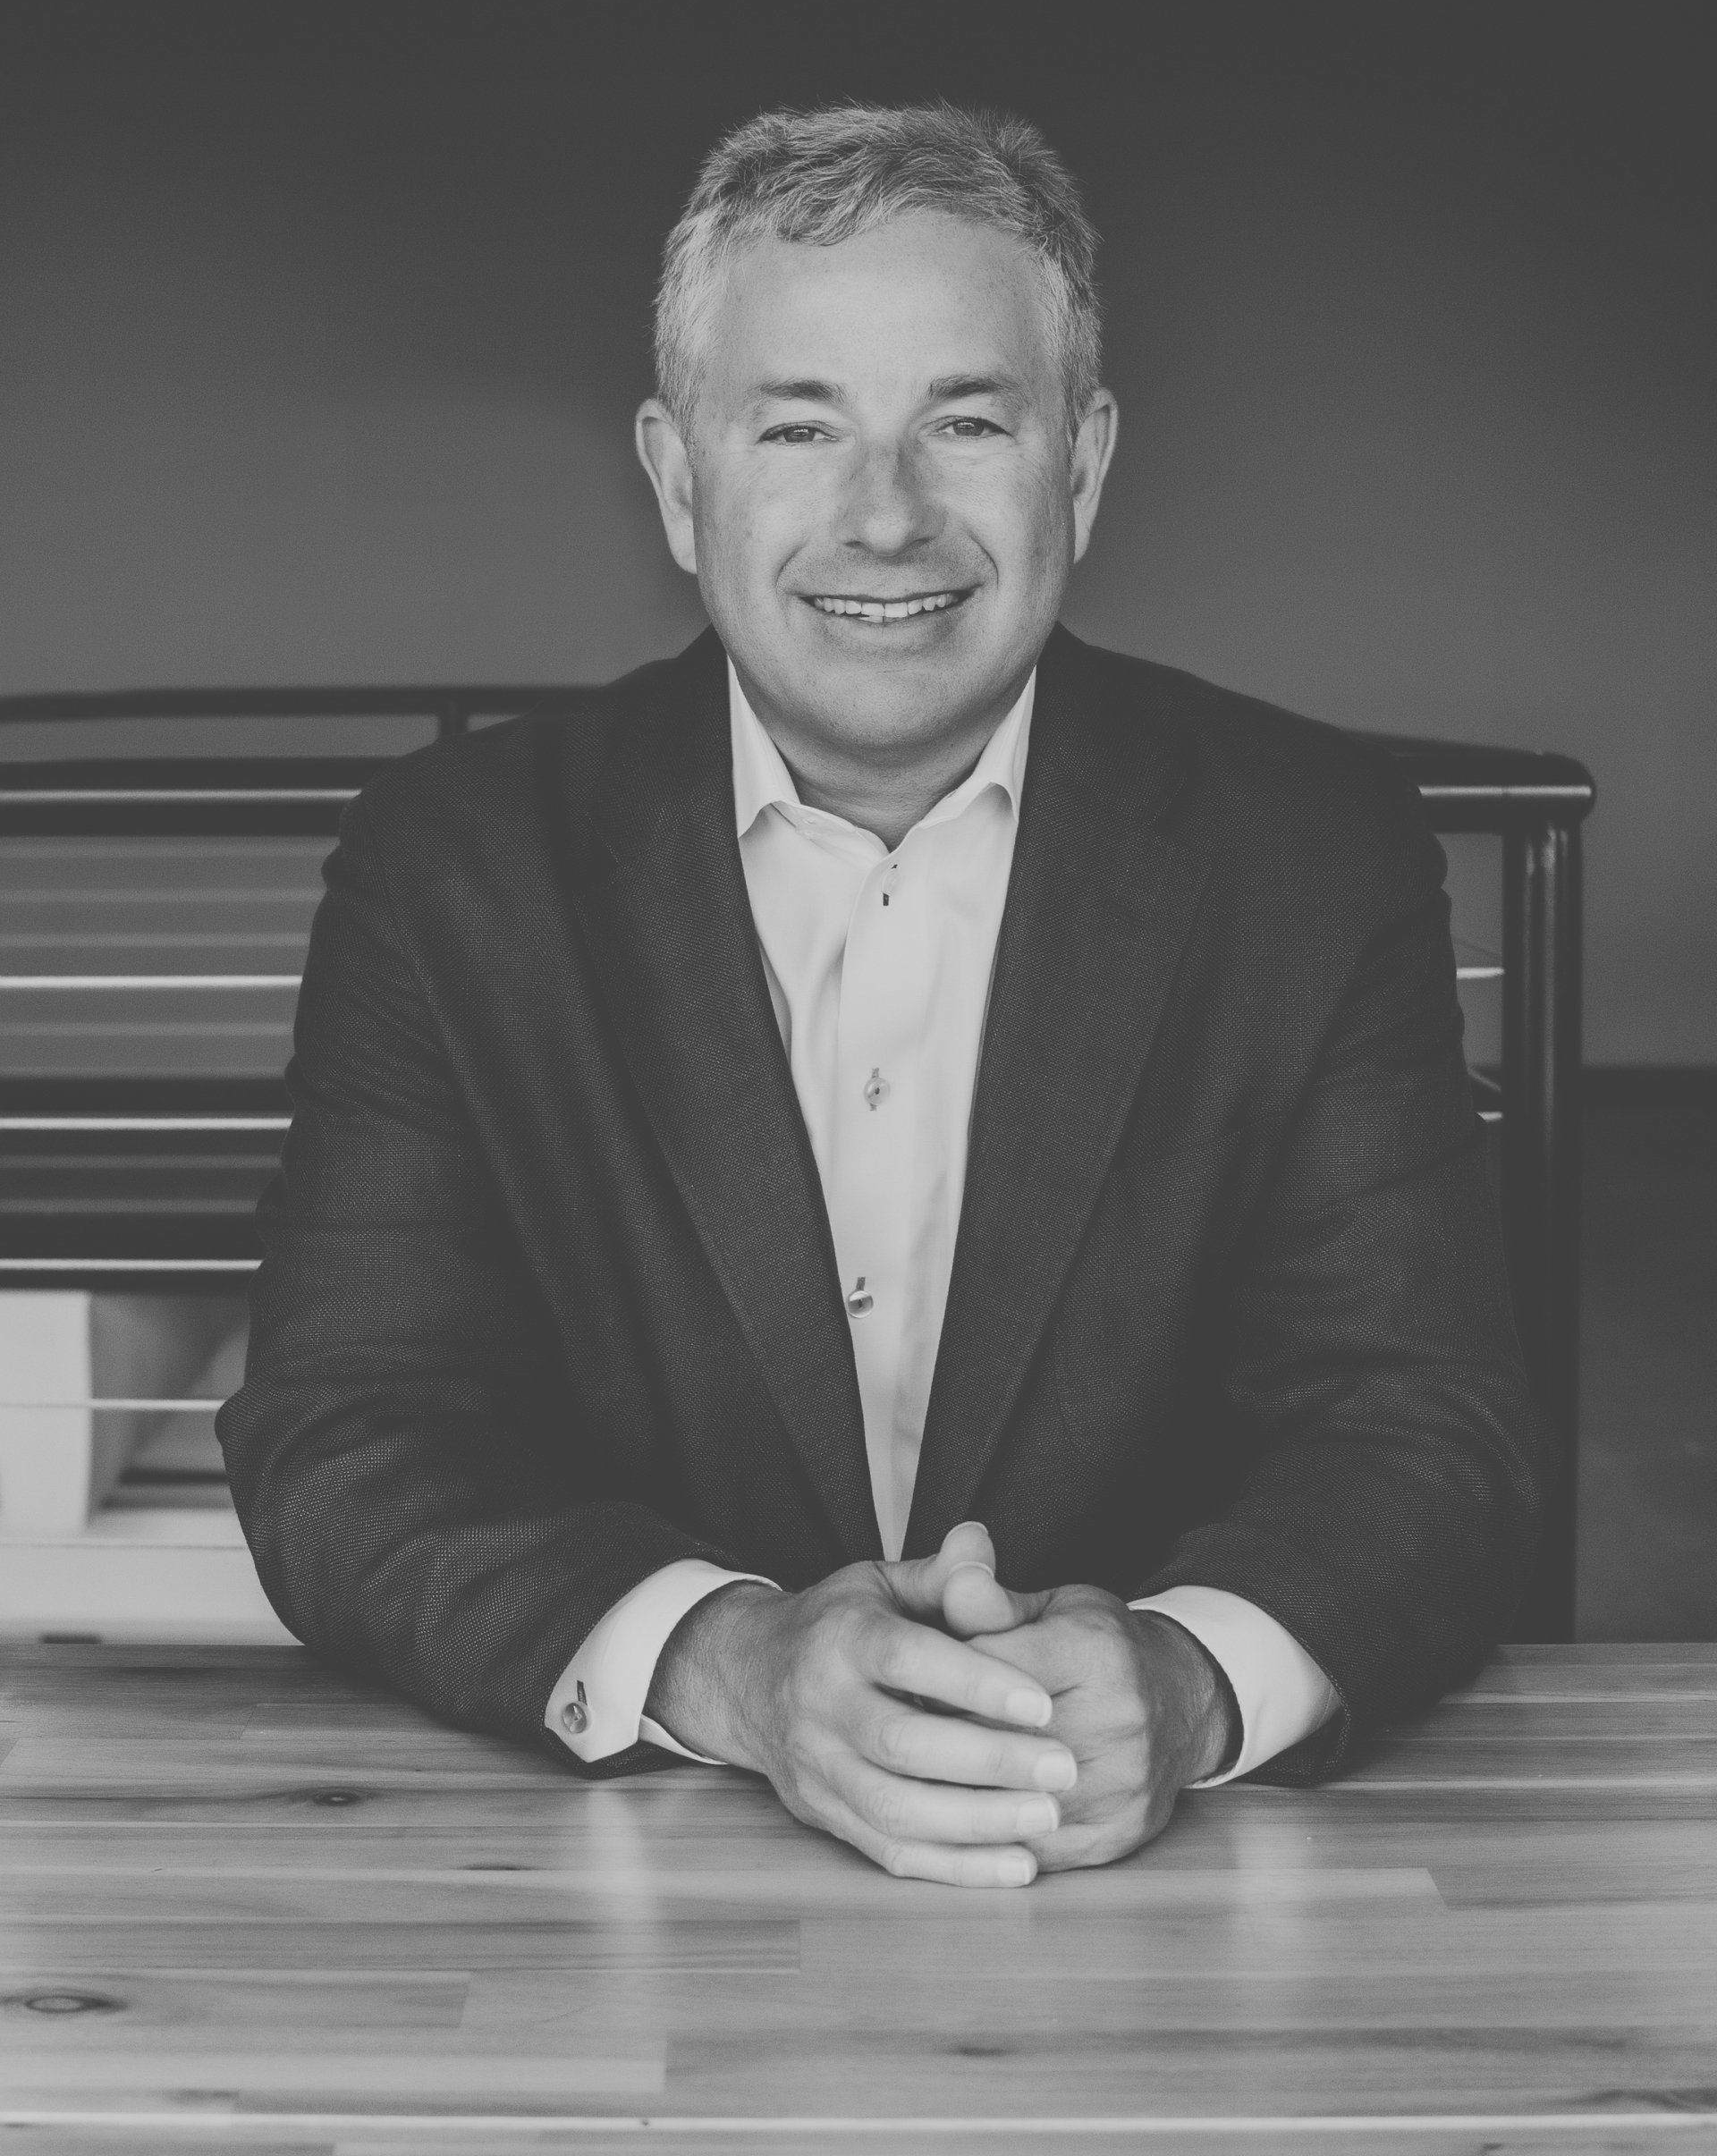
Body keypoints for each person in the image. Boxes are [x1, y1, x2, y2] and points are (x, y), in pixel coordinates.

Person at [221, 101, 1539, 1889]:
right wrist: (728, 1663)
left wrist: (1196, 1677)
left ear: (1078, 468)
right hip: (620, 1899)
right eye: (799, 425)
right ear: (684, 484)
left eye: (968, 422)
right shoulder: (455, 870)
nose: (889, 515)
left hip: (1158, 1898)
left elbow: (1419, 1420)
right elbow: (347, 1432)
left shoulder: (1311, 854)